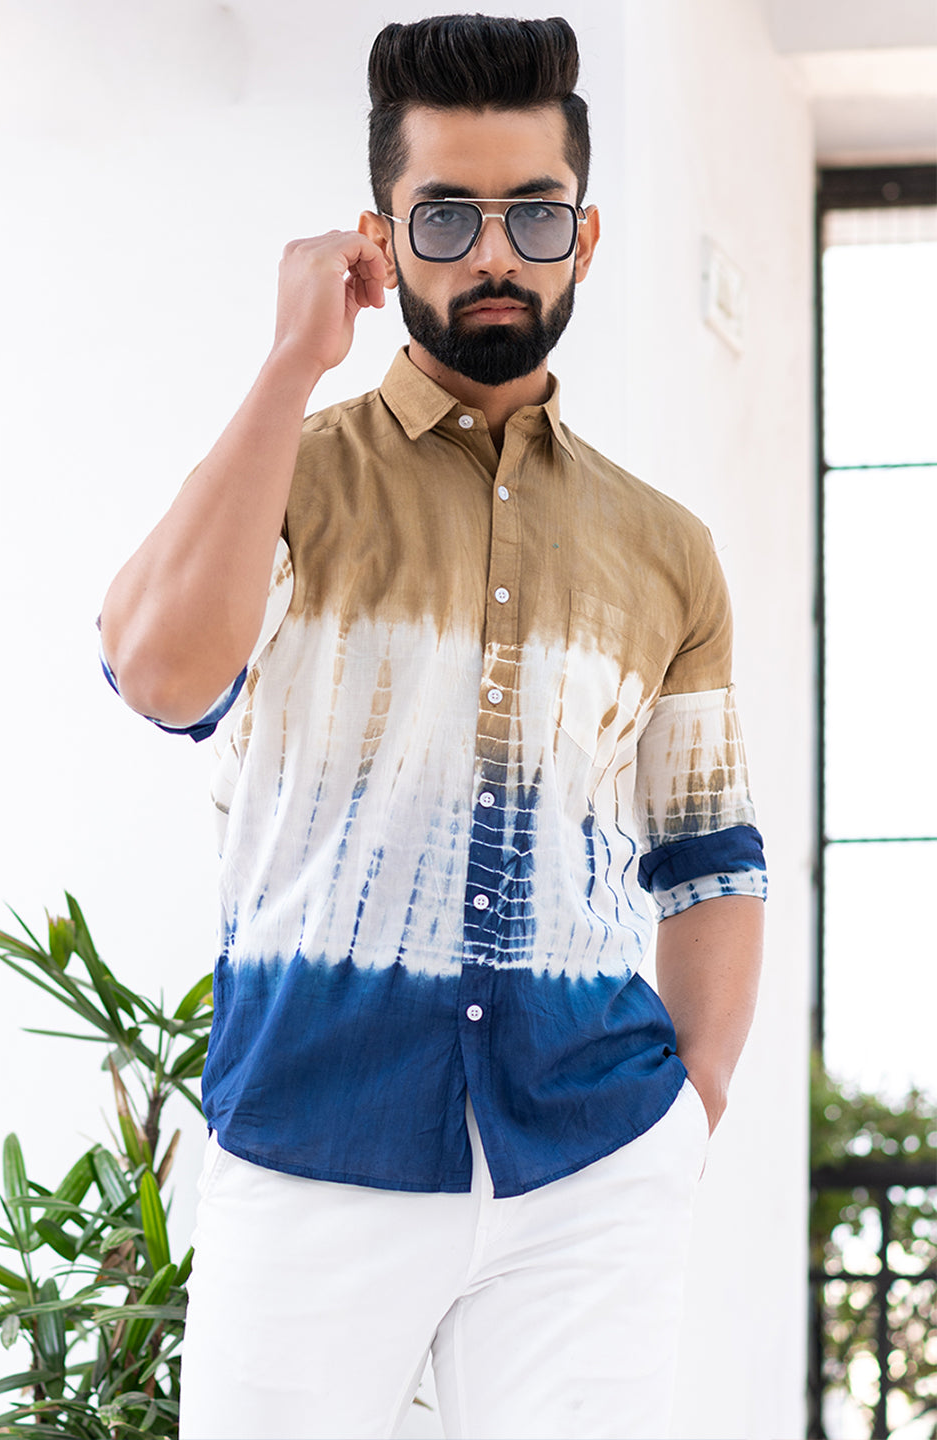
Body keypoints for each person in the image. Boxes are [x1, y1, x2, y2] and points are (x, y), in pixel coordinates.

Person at [98, 14, 766, 1440]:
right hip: (313, 1143)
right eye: (447, 215)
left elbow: (710, 859)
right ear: (380, 238)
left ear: (585, 238)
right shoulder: (299, 476)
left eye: (533, 213)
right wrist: (290, 362)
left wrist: (686, 1117)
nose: (493, 252)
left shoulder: (668, 550)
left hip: (590, 1169)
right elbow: (159, 672)